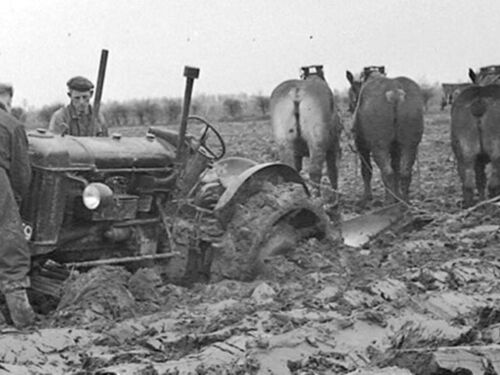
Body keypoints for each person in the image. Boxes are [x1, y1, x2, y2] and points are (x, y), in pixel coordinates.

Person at [0, 83, 36, 328]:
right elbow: (22, 176)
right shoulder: (11, 124)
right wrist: (15, 205)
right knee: (12, 248)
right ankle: (22, 320)